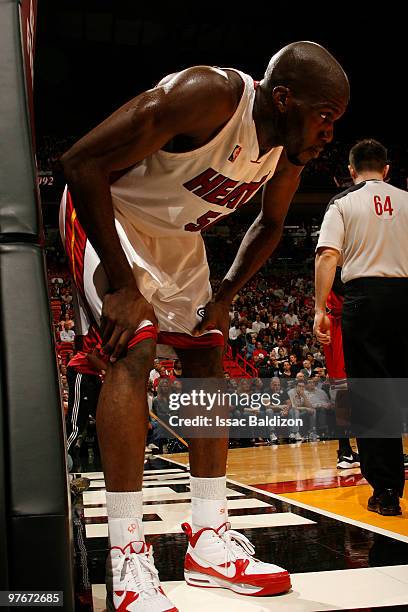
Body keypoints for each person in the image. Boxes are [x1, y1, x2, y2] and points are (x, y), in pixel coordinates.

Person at [61, 41, 348, 610]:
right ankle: (127, 555)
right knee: (134, 348)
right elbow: (80, 163)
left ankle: (208, 539)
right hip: (109, 214)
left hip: (178, 241)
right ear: (284, 99)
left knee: (208, 353)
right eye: (325, 117)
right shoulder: (208, 96)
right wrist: (122, 284)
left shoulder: (287, 151)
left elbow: (270, 224)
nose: (329, 134)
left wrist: (225, 296)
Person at [314, 139, 406, 516]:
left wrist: (320, 307)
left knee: (374, 396)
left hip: (365, 299)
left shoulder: (342, 202)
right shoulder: (407, 199)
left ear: (352, 171)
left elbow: (328, 254)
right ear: (387, 169)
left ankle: (385, 491)